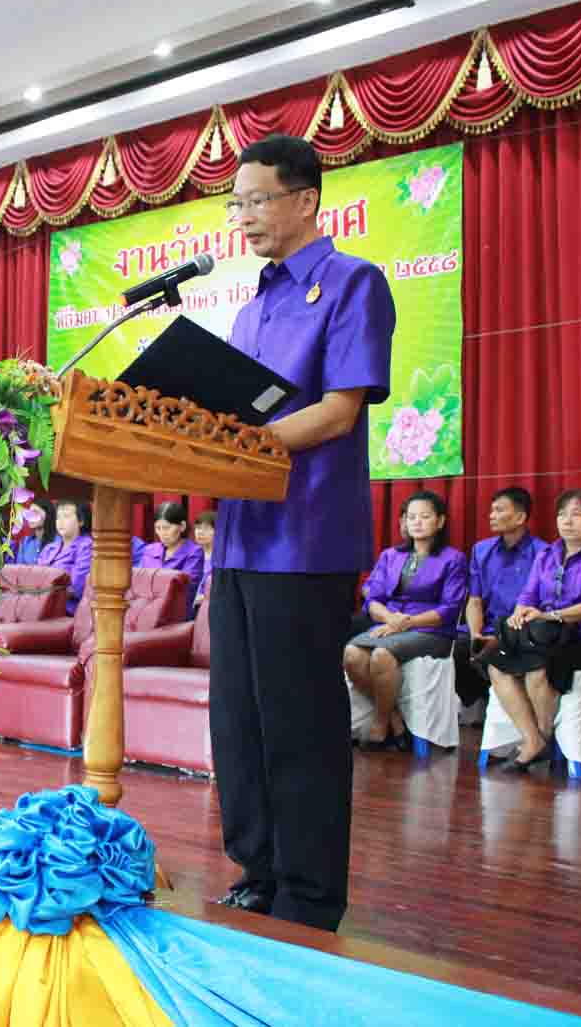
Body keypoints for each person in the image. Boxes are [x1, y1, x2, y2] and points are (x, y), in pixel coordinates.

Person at [209, 134, 395, 931]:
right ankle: (258, 870)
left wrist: (238, 442)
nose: (244, 216)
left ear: (306, 199)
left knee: (299, 724)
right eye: (236, 204)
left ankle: (309, 895)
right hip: (239, 539)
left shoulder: (353, 282)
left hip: (307, 538)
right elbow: (230, 414)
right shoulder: (249, 309)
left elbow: (338, 411)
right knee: (239, 720)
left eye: (257, 200)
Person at [479, 489, 581, 772]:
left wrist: (550, 615)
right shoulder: (547, 553)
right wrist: (520, 613)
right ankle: (534, 739)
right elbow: (528, 595)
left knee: (537, 669)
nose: (567, 521)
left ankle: (544, 735)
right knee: (496, 665)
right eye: (562, 515)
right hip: (542, 636)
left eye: (577, 514)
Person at [342, 491, 468, 750]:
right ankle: (395, 718)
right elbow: (372, 598)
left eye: (425, 516)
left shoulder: (453, 559)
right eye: (411, 517)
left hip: (432, 631)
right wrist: (391, 619)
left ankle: (380, 726)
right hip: (389, 625)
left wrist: (407, 622)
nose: (417, 522)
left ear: (440, 521)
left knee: (381, 655)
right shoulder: (390, 555)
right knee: (352, 654)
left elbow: (450, 609)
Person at [455, 487, 543, 712]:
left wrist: (500, 635)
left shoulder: (543, 553)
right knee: (453, 646)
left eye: (499, 510)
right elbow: (474, 600)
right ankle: (476, 701)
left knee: (497, 650)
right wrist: (476, 633)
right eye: (491, 510)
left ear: (520, 517)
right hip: (485, 626)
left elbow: (541, 604)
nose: (491, 515)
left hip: (521, 628)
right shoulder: (481, 550)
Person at [137, 501, 206, 621]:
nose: (162, 533)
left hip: (175, 616)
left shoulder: (194, 552)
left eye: (167, 528)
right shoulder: (149, 550)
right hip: (145, 612)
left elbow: (184, 587)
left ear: (182, 526)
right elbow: (138, 583)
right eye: (158, 528)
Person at [37, 500, 93, 614]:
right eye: (58, 517)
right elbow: (35, 578)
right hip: (41, 605)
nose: (60, 522)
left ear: (81, 521)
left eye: (66, 516)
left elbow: (76, 587)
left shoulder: (87, 546)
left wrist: (43, 594)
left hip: (67, 611)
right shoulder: (49, 548)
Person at [14, 499, 54, 565]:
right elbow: (19, 567)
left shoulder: (58, 541)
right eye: (29, 513)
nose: (30, 516)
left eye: (35, 512)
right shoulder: (25, 541)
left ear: (48, 515)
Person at [191, 509, 216, 613]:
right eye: (198, 528)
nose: (200, 532)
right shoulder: (192, 555)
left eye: (206, 528)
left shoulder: (221, 560)